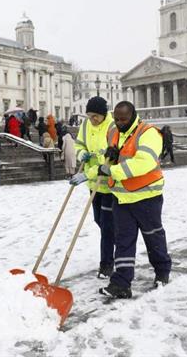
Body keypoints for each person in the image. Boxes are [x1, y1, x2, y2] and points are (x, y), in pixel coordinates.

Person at [98, 100, 172, 299]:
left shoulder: (148, 133)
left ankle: (162, 271)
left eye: (124, 118)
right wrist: (110, 156)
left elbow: (144, 163)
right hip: (122, 198)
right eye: (117, 118)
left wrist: (112, 170)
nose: (120, 122)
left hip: (147, 196)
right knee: (123, 241)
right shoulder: (113, 131)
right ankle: (121, 283)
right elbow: (115, 152)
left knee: (153, 236)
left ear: (133, 115)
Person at [69, 96, 116, 279]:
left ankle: (106, 264)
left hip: (109, 184)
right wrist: (83, 154)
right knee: (99, 220)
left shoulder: (112, 127)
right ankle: (118, 239)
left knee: (106, 225)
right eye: (90, 116)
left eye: (96, 116)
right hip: (92, 184)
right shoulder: (86, 125)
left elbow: (112, 157)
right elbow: (79, 144)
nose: (92, 119)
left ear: (104, 114)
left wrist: (88, 173)